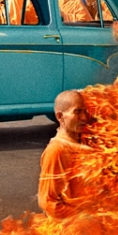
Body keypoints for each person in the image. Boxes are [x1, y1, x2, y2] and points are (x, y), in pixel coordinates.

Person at [38, 90, 91, 219]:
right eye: (77, 112)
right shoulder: (57, 150)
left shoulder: (85, 142)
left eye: (85, 111)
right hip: (71, 233)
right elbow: (48, 202)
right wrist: (84, 218)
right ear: (60, 116)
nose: (84, 117)